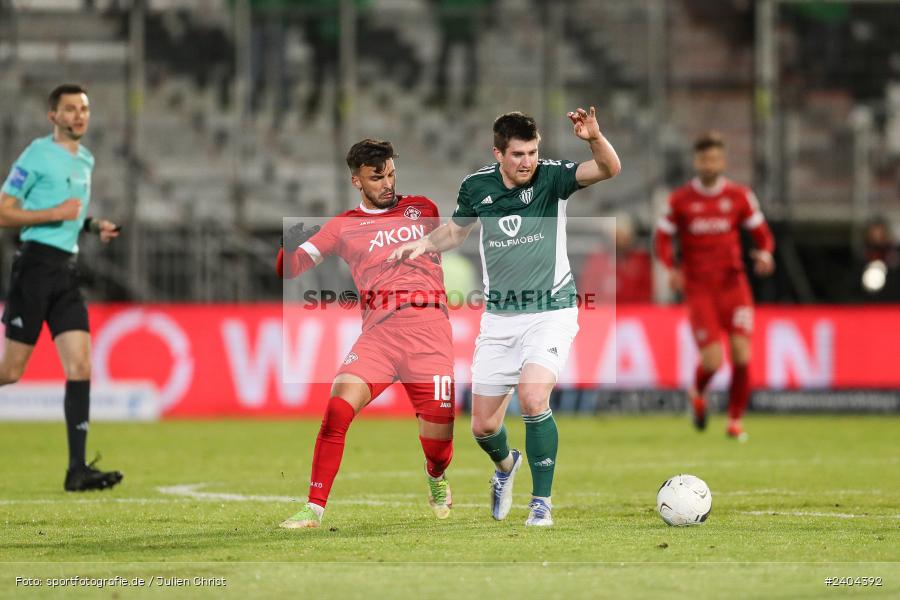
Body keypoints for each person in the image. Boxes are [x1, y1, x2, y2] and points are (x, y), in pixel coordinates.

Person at [390, 108, 621, 527]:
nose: (527, 161)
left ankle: (541, 503)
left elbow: (609, 167)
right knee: (481, 427)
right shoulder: (476, 186)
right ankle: (505, 467)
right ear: (497, 152)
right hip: (499, 317)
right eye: (517, 154)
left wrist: (593, 138)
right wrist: (423, 244)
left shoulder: (553, 178)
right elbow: (456, 232)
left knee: (533, 399)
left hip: (551, 310)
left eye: (532, 151)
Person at [276, 139, 456, 528]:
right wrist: (287, 242)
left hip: (429, 335)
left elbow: (450, 237)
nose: (388, 184)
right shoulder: (343, 226)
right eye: (377, 178)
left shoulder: (422, 208)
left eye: (391, 174)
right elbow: (289, 269)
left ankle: (436, 476)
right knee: (337, 410)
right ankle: (314, 507)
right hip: (380, 337)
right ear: (356, 180)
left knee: (439, 445)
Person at [0, 84, 123, 491]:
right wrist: (55, 213)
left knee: (81, 365)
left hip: (66, 271)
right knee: (11, 372)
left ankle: (77, 470)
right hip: (34, 266)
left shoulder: (85, 158)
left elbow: (75, 213)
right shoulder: (36, 154)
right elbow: (4, 210)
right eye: (69, 109)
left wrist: (93, 226)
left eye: (84, 108)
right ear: (52, 115)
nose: (79, 116)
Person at [654, 131, 775, 441]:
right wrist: (672, 267)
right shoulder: (680, 200)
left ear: (723, 161)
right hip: (699, 289)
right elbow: (663, 239)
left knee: (742, 355)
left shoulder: (739, 196)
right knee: (712, 360)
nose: (710, 164)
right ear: (697, 162)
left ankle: (735, 421)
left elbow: (761, 234)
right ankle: (698, 391)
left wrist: (764, 253)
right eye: (704, 159)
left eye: (715, 158)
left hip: (734, 286)